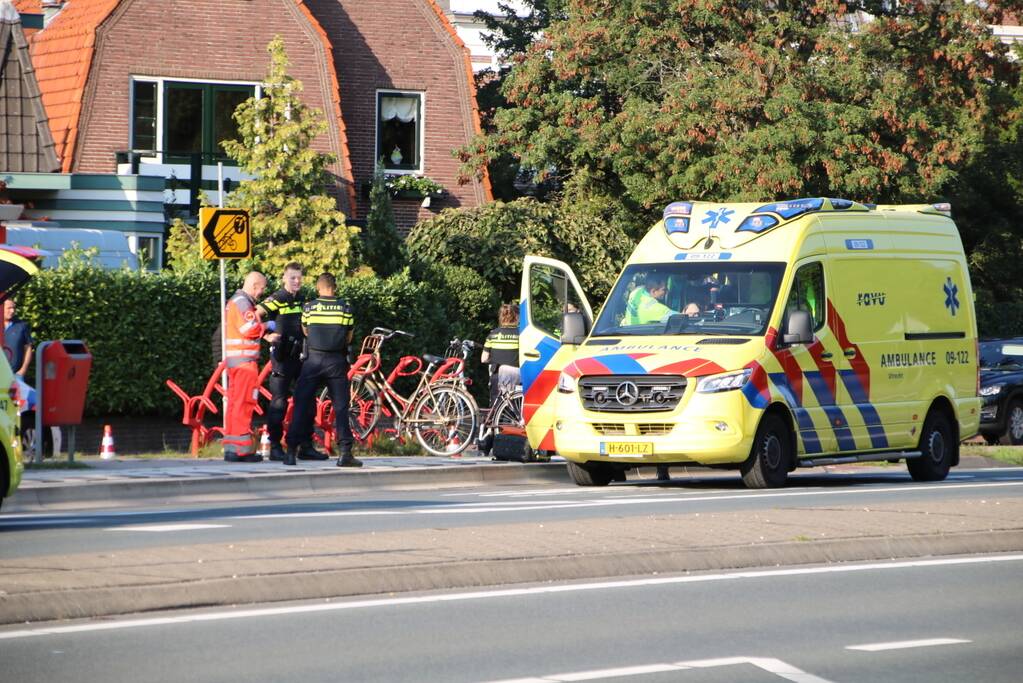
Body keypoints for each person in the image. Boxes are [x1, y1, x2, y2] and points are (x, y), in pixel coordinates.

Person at [285, 272, 361, 468]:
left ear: (318, 288)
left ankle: (291, 451)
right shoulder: (345, 308)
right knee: (341, 407)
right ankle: (345, 453)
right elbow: (349, 336)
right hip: (336, 361)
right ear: (334, 287)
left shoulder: (309, 307)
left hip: (313, 360)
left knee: (301, 404)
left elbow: (305, 331)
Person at [223, 271, 274, 462]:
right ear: (254, 285)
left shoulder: (235, 301)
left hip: (236, 363)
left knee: (235, 404)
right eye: (261, 288)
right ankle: (242, 450)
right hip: (245, 364)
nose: (261, 292)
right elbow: (250, 329)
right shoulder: (243, 303)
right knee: (244, 404)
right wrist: (268, 325)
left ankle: (231, 448)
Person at [257, 262, 306, 462]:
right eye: (293, 277)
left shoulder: (303, 299)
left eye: (299, 278)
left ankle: (305, 445)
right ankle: (275, 445)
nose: (296, 281)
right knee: (279, 402)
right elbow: (255, 315)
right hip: (282, 358)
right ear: (284, 278)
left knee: (306, 400)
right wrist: (266, 335)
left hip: (300, 356)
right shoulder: (278, 298)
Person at [480, 303, 520, 406]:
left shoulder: (492, 335)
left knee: (496, 408)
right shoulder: (521, 334)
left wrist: (494, 360)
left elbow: (484, 359)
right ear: (516, 316)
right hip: (516, 378)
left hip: (497, 376)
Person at [3, 297, 33, 379]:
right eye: (9, 308)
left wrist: (22, 370)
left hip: (15, 376)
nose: (12, 311)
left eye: (13, 308)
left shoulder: (22, 325)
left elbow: (28, 348)